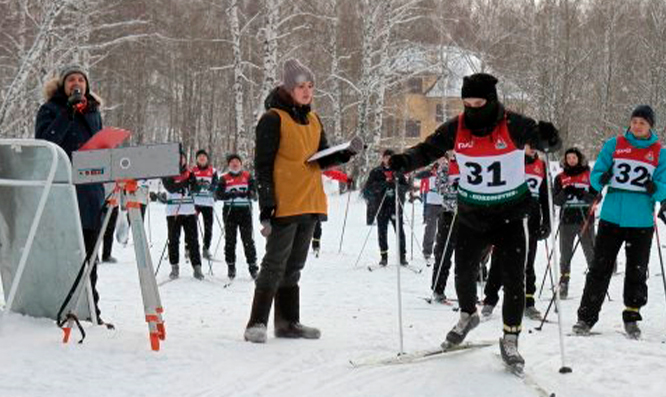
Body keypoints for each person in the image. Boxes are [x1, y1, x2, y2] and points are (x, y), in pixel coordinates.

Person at [388, 73, 560, 368]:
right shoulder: (456, 127)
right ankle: (468, 315)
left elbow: (547, 143)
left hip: (509, 214)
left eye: (478, 103)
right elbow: (427, 149)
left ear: (491, 101)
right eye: (467, 103)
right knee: (463, 272)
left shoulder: (513, 123)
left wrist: (548, 137)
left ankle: (510, 339)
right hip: (471, 213)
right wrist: (405, 161)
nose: (472, 109)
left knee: (513, 279)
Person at [244, 59, 356, 343]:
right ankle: (256, 323)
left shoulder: (314, 119)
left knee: (294, 265)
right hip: (284, 201)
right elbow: (263, 165)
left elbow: (321, 158)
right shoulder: (272, 119)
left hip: (310, 200)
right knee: (274, 264)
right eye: (300, 87)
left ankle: (287, 323)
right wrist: (266, 204)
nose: (306, 92)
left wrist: (345, 153)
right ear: (288, 88)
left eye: (310, 86)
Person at [573, 105, 666, 339]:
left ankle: (632, 316)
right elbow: (597, 172)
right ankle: (586, 318)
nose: (636, 126)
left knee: (637, 270)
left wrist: (657, 189)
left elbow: (664, 186)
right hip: (612, 217)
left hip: (641, 220)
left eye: (642, 123)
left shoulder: (659, 152)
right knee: (599, 268)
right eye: (634, 121)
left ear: (650, 126)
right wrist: (599, 179)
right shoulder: (615, 144)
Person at [35, 65, 106, 324]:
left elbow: (97, 147)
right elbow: (45, 143)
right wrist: (68, 113)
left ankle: (91, 311)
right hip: (62, 192)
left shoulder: (93, 111)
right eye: (71, 80)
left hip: (91, 193)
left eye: (81, 80)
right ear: (63, 85)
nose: (76, 83)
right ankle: (59, 307)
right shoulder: (50, 110)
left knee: (90, 257)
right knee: (64, 254)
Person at [482, 144, 551, 320]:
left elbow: (545, 197)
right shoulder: (511, 161)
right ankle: (490, 299)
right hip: (509, 219)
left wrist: (547, 222)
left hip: (532, 221)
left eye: (535, 144)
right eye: (530, 144)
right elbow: (497, 188)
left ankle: (528, 302)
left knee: (528, 262)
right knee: (499, 259)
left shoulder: (541, 165)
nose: (533, 148)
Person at [553, 147, 597, 299]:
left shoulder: (589, 175)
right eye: (568, 158)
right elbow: (556, 201)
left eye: (574, 157)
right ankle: (564, 283)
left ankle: (594, 283)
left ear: (579, 159)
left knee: (590, 252)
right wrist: (565, 192)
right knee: (565, 254)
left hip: (585, 220)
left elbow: (596, 198)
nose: (571, 160)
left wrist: (581, 193)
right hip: (567, 220)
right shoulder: (560, 177)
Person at [362, 149, 409, 266]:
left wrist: (396, 185)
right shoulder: (376, 172)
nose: (388, 160)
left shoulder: (398, 171)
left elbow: (406, 187)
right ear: (383, 158)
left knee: (399, 232)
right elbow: (369, 188)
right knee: (382, 231)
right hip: (381, 206)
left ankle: (402, 256)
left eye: (391, 157)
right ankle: (384, 256)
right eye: (386, 157)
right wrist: (383, 184)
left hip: (395, 206)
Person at [162, 151, 204, 280]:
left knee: (193, 240)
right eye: (177, 158)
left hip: (189, 211)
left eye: (182, 158)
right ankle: (174, 267)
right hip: (173, 211)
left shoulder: (190, 173)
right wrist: (184, 183)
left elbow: (197, 189)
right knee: (173, 240)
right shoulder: (167, 172)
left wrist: (193, 183)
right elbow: (170, 188)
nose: (180, 160)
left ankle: (197, 267)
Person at [216, 153, 257, 279]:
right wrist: (230, 195)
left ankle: (253, 267)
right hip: (230, 211)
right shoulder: (224, 178)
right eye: (232, 162)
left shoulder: (248, 176)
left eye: (237, 162)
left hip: (245, 211)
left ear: (241, 164)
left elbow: (255, 195)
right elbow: (218, 195)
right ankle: (231, 266)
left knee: (248, 240)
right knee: (230, 240)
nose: (235, 164)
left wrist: (248, 193)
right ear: (229, 165)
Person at [430, 152, 458, 302]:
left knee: (466, 257)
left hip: (466, 216)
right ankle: (438, 288)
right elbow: (440, 188)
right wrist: (454, 186)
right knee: (443, 253)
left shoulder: (470, 163)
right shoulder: (445, 167)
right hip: (448, 214)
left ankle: (466, 292)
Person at [311, 169, 352, 257]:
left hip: (318, 203)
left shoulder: (322, 169)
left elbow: (333, 173)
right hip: (304, 202)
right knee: (305, 225)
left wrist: (347, 179)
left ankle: (316, 245)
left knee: (317, 225)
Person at [192, 149, 219, 259]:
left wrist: (210, 187)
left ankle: (206, 249)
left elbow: (216, 185)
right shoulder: (192, 170)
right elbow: (190, 184)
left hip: (208, 203)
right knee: (191, 227)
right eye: (199, 157)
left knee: (208, 228)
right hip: (195, 203)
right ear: (197, 159)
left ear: (207, 159)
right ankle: (189, 248)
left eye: (204, 156)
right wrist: (196, 186)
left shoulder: (213, 171)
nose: (202, 158)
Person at [415, 162, 444, 262]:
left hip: (444, 204)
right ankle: (427, 251)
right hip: (432, 203)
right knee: (430, 228)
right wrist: (431, 172)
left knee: (443, 229)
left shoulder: (447, 171)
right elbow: (418, 176)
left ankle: (440, 251)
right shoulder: (430, 172)